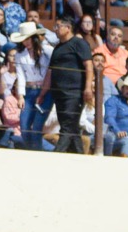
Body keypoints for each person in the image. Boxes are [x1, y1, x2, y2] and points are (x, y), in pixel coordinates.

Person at [39, 16, 93, 154]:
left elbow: (89, 66)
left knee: (67, 126)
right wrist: (42, 93)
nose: (55, 29)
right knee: (70, 126)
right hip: (59, 93)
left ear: (67, 27)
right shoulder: (57, 48)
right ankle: (80, 155)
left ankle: (57, 154)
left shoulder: (79, 43)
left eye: (57, 26)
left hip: (74, 92)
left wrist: (87, 87)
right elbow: (50, 72)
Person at [11, 21, 52, 151]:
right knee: (24, 125)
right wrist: (21, 96)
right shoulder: (19, 55)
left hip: (45, 91)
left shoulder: (47, 50)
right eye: (24, 39)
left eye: (28, 39)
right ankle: (31, 151)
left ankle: (37, 153)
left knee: (37, 128)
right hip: (29, 91)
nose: (26, 42)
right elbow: (20, 75)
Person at [103, 74, 128, 156]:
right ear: (122, 88)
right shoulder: (113, 100)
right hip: (121, 137)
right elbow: (109, 118)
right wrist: (117, 131)